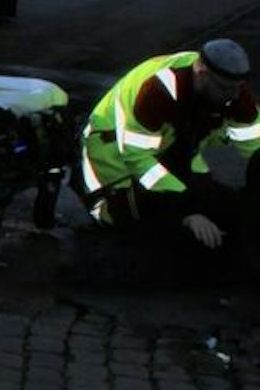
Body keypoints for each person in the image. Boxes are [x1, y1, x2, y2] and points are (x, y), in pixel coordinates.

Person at [77, 38, 260, 253]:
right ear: (202, 73)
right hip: (115, 174)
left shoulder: (230, 90)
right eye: (226, 89)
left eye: (238, 88)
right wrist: (187, 212)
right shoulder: (157, 91)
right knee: (181, 235)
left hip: (167, 159)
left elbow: (256, 145)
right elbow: (140, 162)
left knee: (231, 211)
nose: (234, 96)